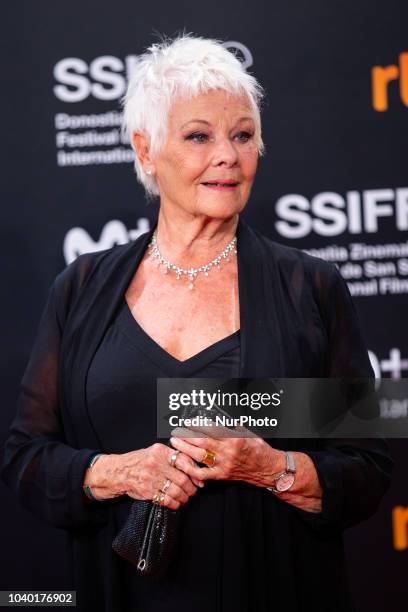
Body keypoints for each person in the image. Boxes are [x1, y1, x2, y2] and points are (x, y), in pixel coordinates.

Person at [1, 34, 392, 612]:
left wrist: (272, 468)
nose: (228, 156)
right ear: (145, 150)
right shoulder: (81, 290)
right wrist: (116, 473)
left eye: (242, 135)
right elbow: (26, 457)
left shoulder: (311, 289)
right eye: (198, 136)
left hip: (273, 589)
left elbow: (366, 467)